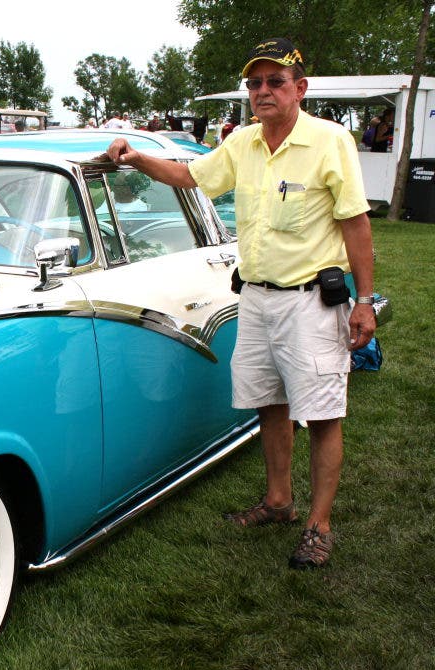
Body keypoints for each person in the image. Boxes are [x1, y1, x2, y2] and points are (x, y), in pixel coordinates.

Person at [106, 37, 376, 570]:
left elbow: (356, 222)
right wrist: (137, 158)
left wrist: (364, 300)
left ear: (301, 89)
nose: (262, 91)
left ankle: (319, 524)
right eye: (255, 83)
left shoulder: (330, 141)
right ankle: (279, 501)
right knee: (268, 405)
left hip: (310, 304)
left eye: (276, 81)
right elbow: (191, 176)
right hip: (255, 299)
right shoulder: (244, 143)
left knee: (322, 414)